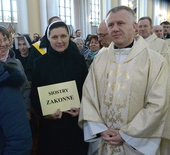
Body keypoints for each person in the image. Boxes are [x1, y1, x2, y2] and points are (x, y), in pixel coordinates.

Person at [78, 6, 170, 155]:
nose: (115, 28)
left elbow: (158, 104)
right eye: (111, 25)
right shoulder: (100, 59)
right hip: (104, 141)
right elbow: (89, 96)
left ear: (134, 27)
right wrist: (100, 129)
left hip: (136, 144)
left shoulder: (155, 61)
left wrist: (126, 134)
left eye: (120, 23)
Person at [30, 21, 89, 155]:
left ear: (69, 37)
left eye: (63, 36)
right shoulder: (39, 64)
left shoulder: (79, 61)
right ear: (48, 39)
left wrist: (82, 109)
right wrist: (45, 114)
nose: (59, 41)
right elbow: (34, 96)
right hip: (51, 128)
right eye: (54, 37)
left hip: (76, 125)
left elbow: (87, 90)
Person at [0, 24, 31, 118]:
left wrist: (26, 110)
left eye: (5, 39)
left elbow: (25, 88)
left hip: (18, 113)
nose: (3, 44)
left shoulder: (17, 63)